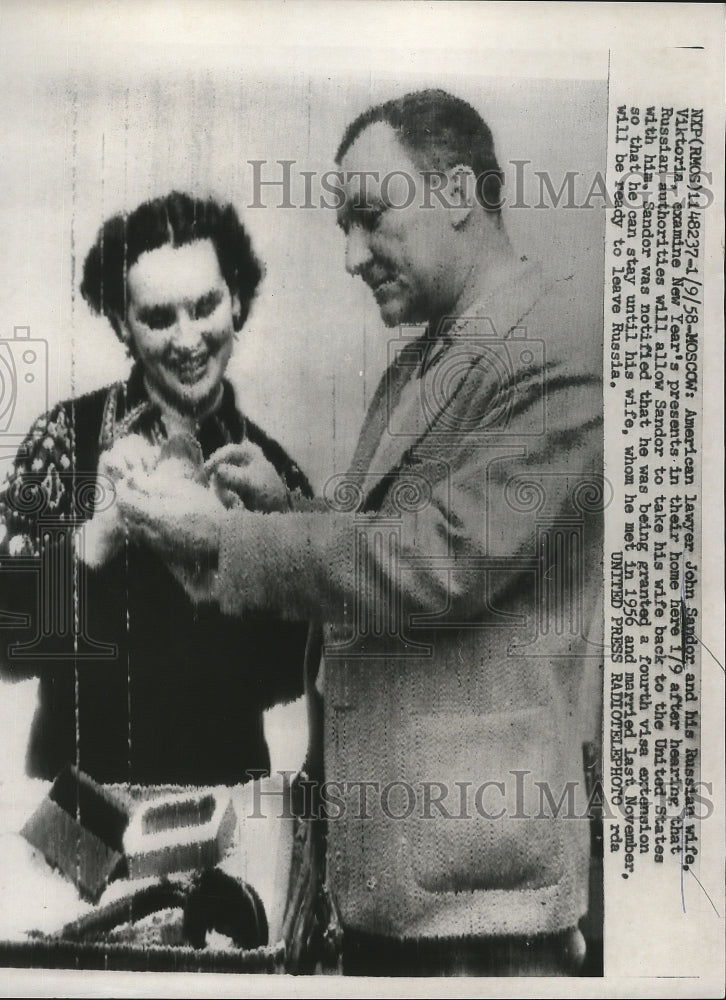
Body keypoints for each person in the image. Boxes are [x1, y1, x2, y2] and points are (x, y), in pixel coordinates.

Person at [116, 91, 604, 975]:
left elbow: (432, 564)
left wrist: (214, 539)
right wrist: (277, 511)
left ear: (457, 193)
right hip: (402, 880)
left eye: (370, 218)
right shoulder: (432, 352)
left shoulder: (557, 350)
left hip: (478, 901)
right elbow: (382, 539)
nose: (350, 256)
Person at [0, 191, 311, 787]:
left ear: (236, 301)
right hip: (77, 816)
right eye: (158, 318)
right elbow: (3, 644)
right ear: (121, 325)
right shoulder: (63, 439)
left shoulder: (270, 472)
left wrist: (262, 535)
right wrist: (97, 534)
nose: (187, 341)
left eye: (205, 306)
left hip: (223, 817)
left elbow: (298, 672)